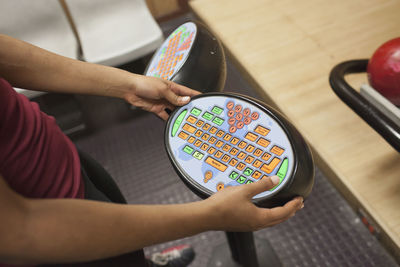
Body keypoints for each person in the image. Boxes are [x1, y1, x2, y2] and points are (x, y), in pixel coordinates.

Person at [0, 34, 304, 266]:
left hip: (56, 158)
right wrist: (209, 216)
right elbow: (19, 231)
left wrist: (128, 85)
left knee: (128, 248)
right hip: (54, 243)